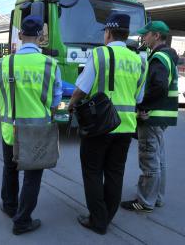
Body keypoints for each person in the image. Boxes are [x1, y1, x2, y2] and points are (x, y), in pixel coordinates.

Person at [67, 13, 146, 235]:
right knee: (115, 172)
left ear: (108, 33)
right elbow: (138, 98)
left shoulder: (99, 54)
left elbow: (82, 88)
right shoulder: (139, 60)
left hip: (99, 126)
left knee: (92, 171)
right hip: (126, 126)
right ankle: (107, 215)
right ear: (127, 34)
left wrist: (71, 105)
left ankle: (98, 220)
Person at [0, 15, 62, 235]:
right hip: (37, 131)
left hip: (10, 129)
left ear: (21, 35)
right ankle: (22, 221)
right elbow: (55, 100)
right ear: (41, 37)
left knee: (10, 168)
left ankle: (9, 206)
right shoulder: (51, 65)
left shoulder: (5, 63)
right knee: (32, 177)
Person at [121, 21, 178, 213]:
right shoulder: (167, 56)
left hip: (152, 118)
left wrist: (144, 106)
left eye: (146, 35)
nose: (143, 38)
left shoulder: (158, 58)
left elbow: (159, 86)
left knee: (149, 161)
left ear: (156, 35)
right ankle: (157, 198)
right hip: (162, 117)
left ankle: (144, 202)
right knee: (159, 160)